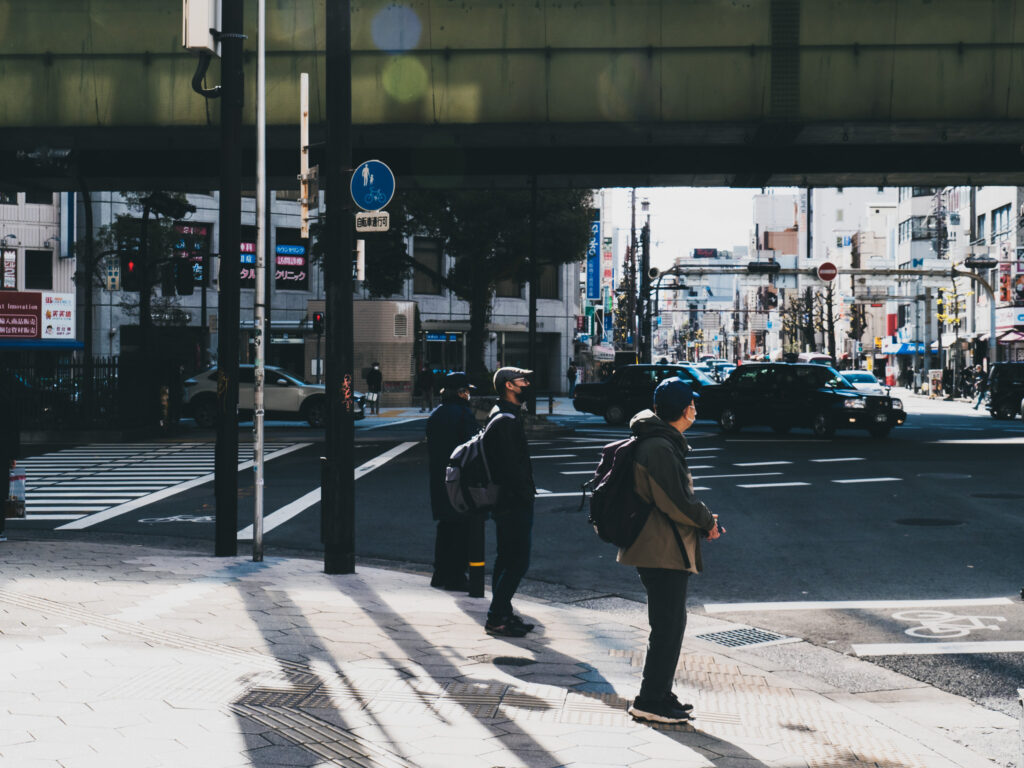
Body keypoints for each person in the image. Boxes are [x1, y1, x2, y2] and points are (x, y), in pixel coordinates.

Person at [620, 377, 721, 724]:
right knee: (667, 624)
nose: (695, 408)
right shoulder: (659, 447)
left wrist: (703, 520)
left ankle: (659, 691)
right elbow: (677, 501)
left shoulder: (660, 441)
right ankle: (650, 699)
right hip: (660, 546)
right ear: (683, 409)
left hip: (661, 544)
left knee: (670, 622)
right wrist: (707, 521)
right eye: (692, 402)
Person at [482, 366, 537, 637]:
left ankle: (502, 613)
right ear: (509, 386)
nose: (527, 384)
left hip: (508, 500)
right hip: (512, 501)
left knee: (506, 559)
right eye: (522, 380)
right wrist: (525, 493)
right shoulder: (504, 420)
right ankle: (496, 617)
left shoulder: (504, 415)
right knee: (517, 561)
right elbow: (510, 467)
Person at [426, 372, 479, 590]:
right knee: (462, 529)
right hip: (460, 480)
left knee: (446, 527)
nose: (468, 395)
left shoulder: (436, 415)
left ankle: (440, 574)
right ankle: (456, 577)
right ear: (459, 392)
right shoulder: (463, 415)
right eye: (466, 391)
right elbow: (473, 449)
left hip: (440, 478)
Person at [0, 375, 21, 543]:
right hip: (2, 451)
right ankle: (0, 530)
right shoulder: (6, 399)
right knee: (1, 491)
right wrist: (13, 455)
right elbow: (13, 429)